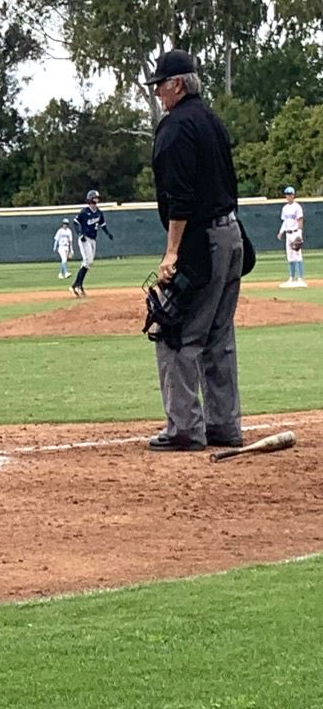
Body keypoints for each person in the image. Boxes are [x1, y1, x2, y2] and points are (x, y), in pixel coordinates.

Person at [145, 48, 243, 452]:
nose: (156, 94)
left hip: (199, 240)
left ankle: (184, 427)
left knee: (176, 332)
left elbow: (179, 197)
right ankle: (224, 426)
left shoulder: (175, 127)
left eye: (161, 87)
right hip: (231, 235)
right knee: (218, 337)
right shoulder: (212, 122)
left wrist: (172, 252)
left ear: (179, 84)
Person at [70, 189, 113, 296]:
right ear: (90, 199)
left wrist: (108, 233)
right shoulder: (84, 212)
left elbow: (102, 224)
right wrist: (80, 234)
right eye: (95, 198)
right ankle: (76, 286)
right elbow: (75, 222)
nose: (97, 200)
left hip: (93, 239)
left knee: (89, 263)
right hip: (85, 239)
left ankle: (77, 285)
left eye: (97, 198)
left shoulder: (98, 212)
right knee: (87, 261)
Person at [277, 185, 306, 288]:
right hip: (288, 233)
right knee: (290, 256)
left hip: (295, 233)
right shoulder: (285, 208)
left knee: (297, 254)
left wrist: (299, 233)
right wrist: (281, 232)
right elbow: (285, 221)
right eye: (287, 194)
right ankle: (291, 277)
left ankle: (301, 278)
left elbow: (300, 220)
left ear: (293, 195)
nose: (288, 196)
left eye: (290, 194)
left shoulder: (297, 207)